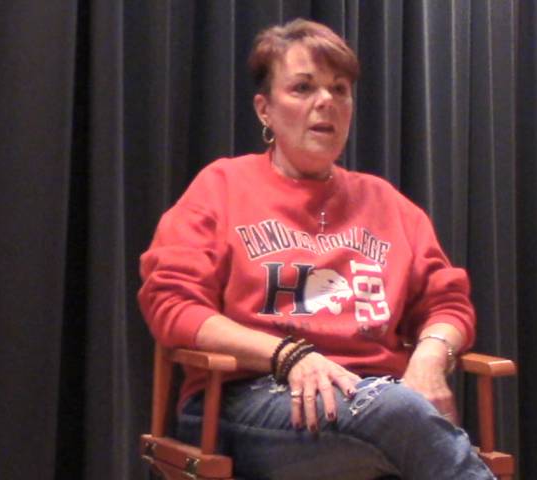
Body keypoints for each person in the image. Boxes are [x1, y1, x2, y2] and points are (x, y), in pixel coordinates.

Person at [139, 18, 495, 480]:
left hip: (373, 397)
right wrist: (287, 355)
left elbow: (447, 304)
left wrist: (429, 359)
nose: (325, 101)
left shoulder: (388, 204)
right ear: (264, 109)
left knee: (398, 412)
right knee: (400, 415)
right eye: (303, 88)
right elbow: (171, 303)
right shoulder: (222, 186)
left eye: (340, 89)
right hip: (247, 399)